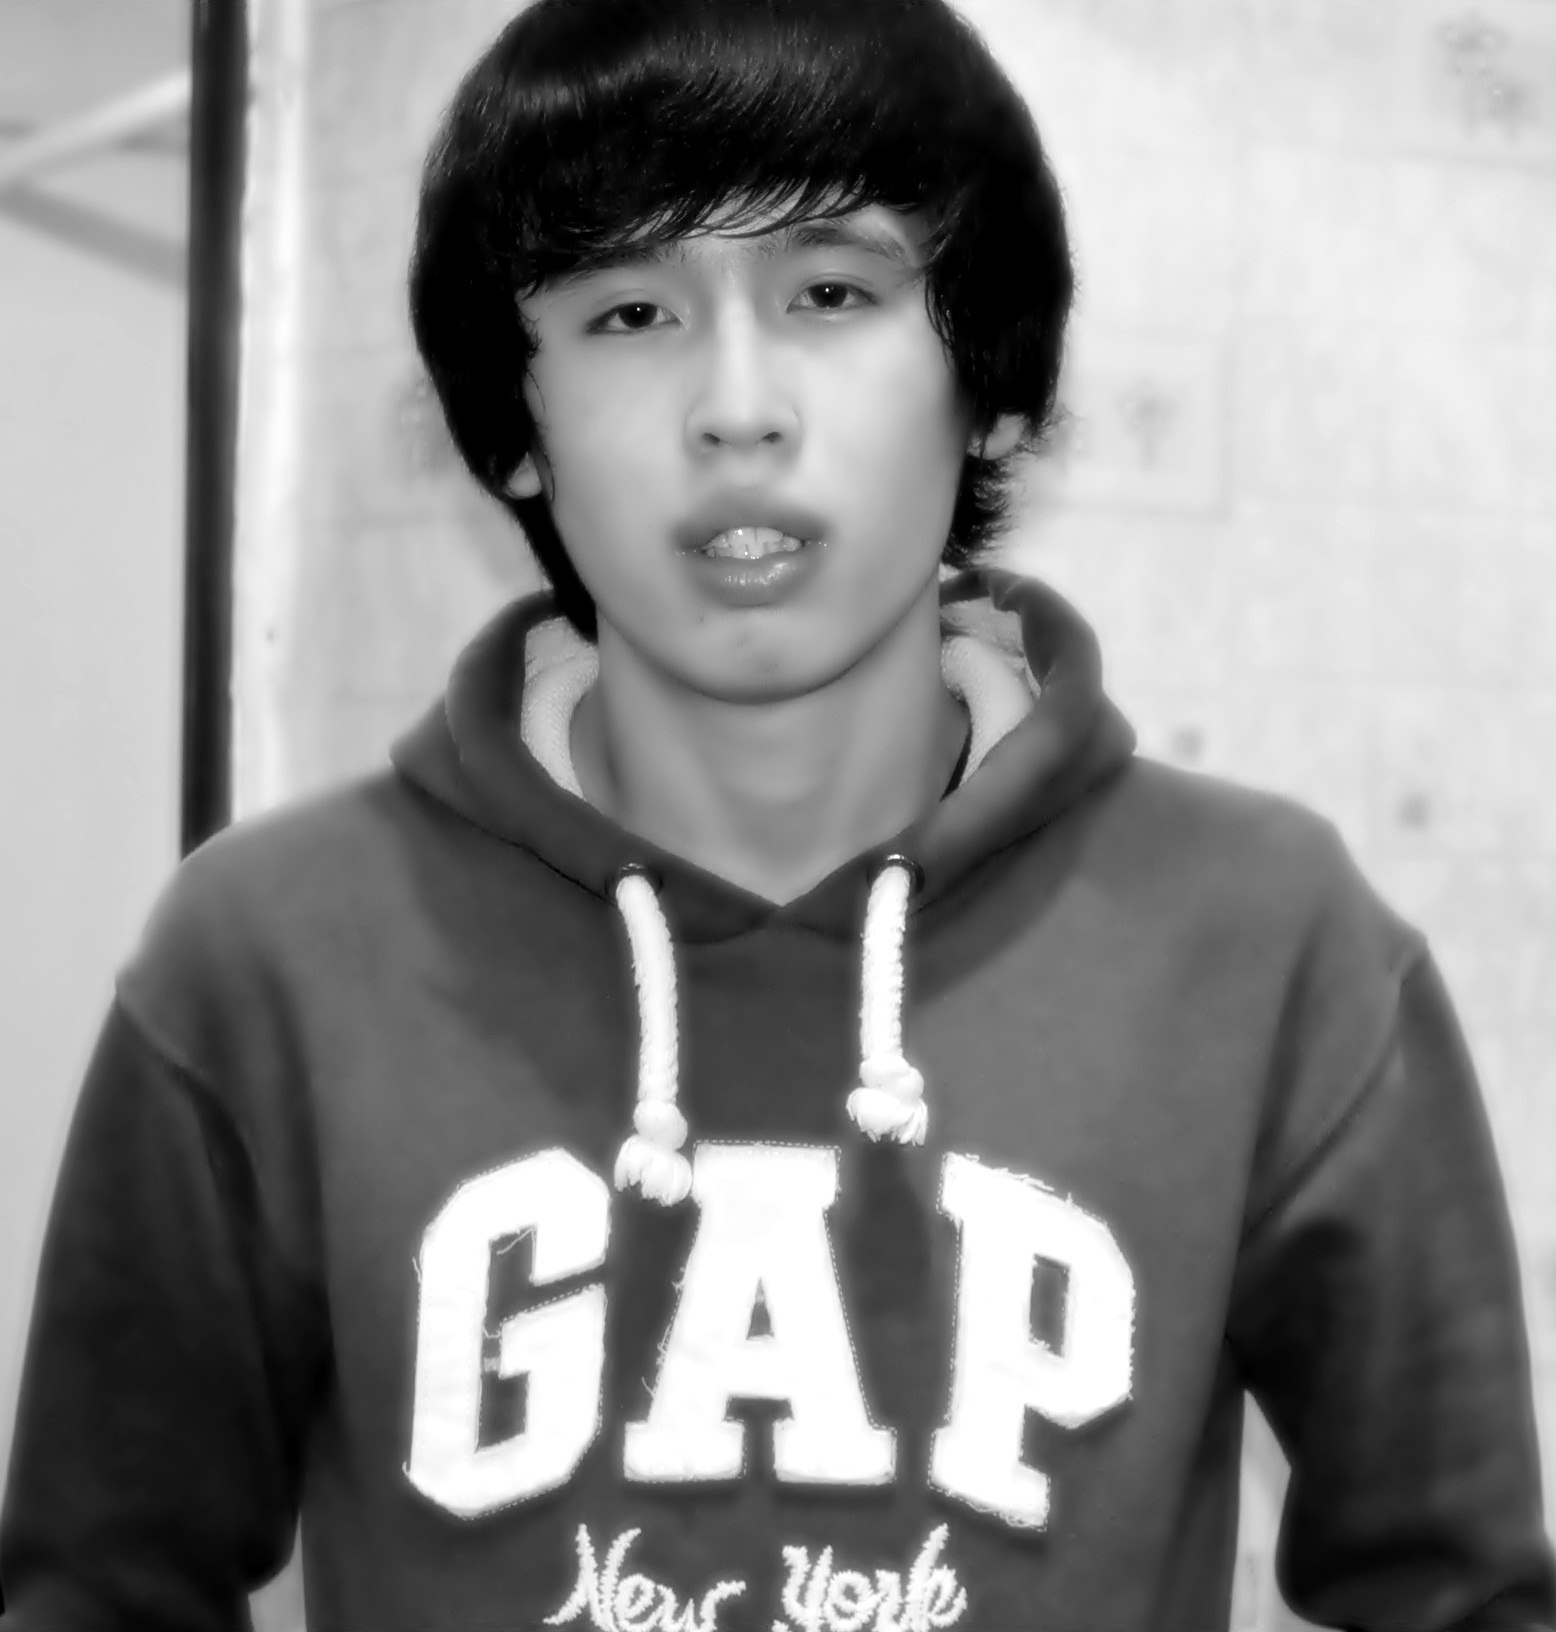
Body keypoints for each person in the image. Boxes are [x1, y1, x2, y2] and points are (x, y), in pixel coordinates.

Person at [3, 0, 1552, 1627]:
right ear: (515, 427)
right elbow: (100, 1591)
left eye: (831, 293)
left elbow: (1456, 1597)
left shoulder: (1274, 949)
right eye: (628, 312)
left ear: (988, 386)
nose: (736, 407)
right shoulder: (264, 961)